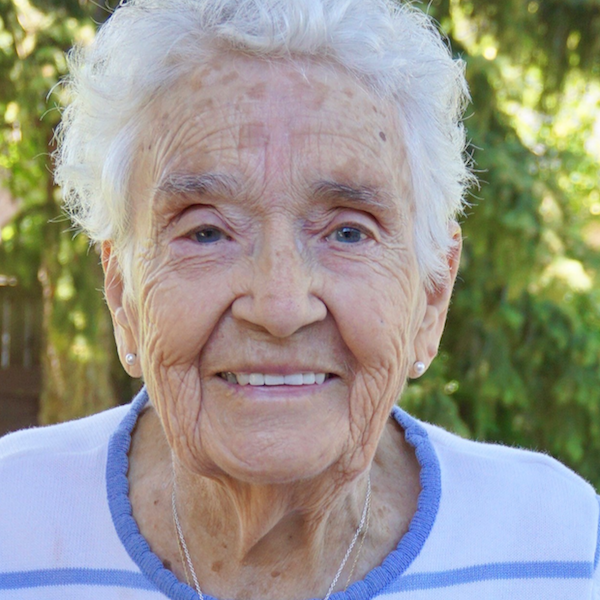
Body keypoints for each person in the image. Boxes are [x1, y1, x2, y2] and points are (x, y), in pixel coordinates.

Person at [1, 0, 598, 598]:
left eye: (348, 231)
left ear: (433, 293)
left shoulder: (558, 550)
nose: (280, 308)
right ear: (122, 293)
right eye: (205, 231)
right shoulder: (14, 523)